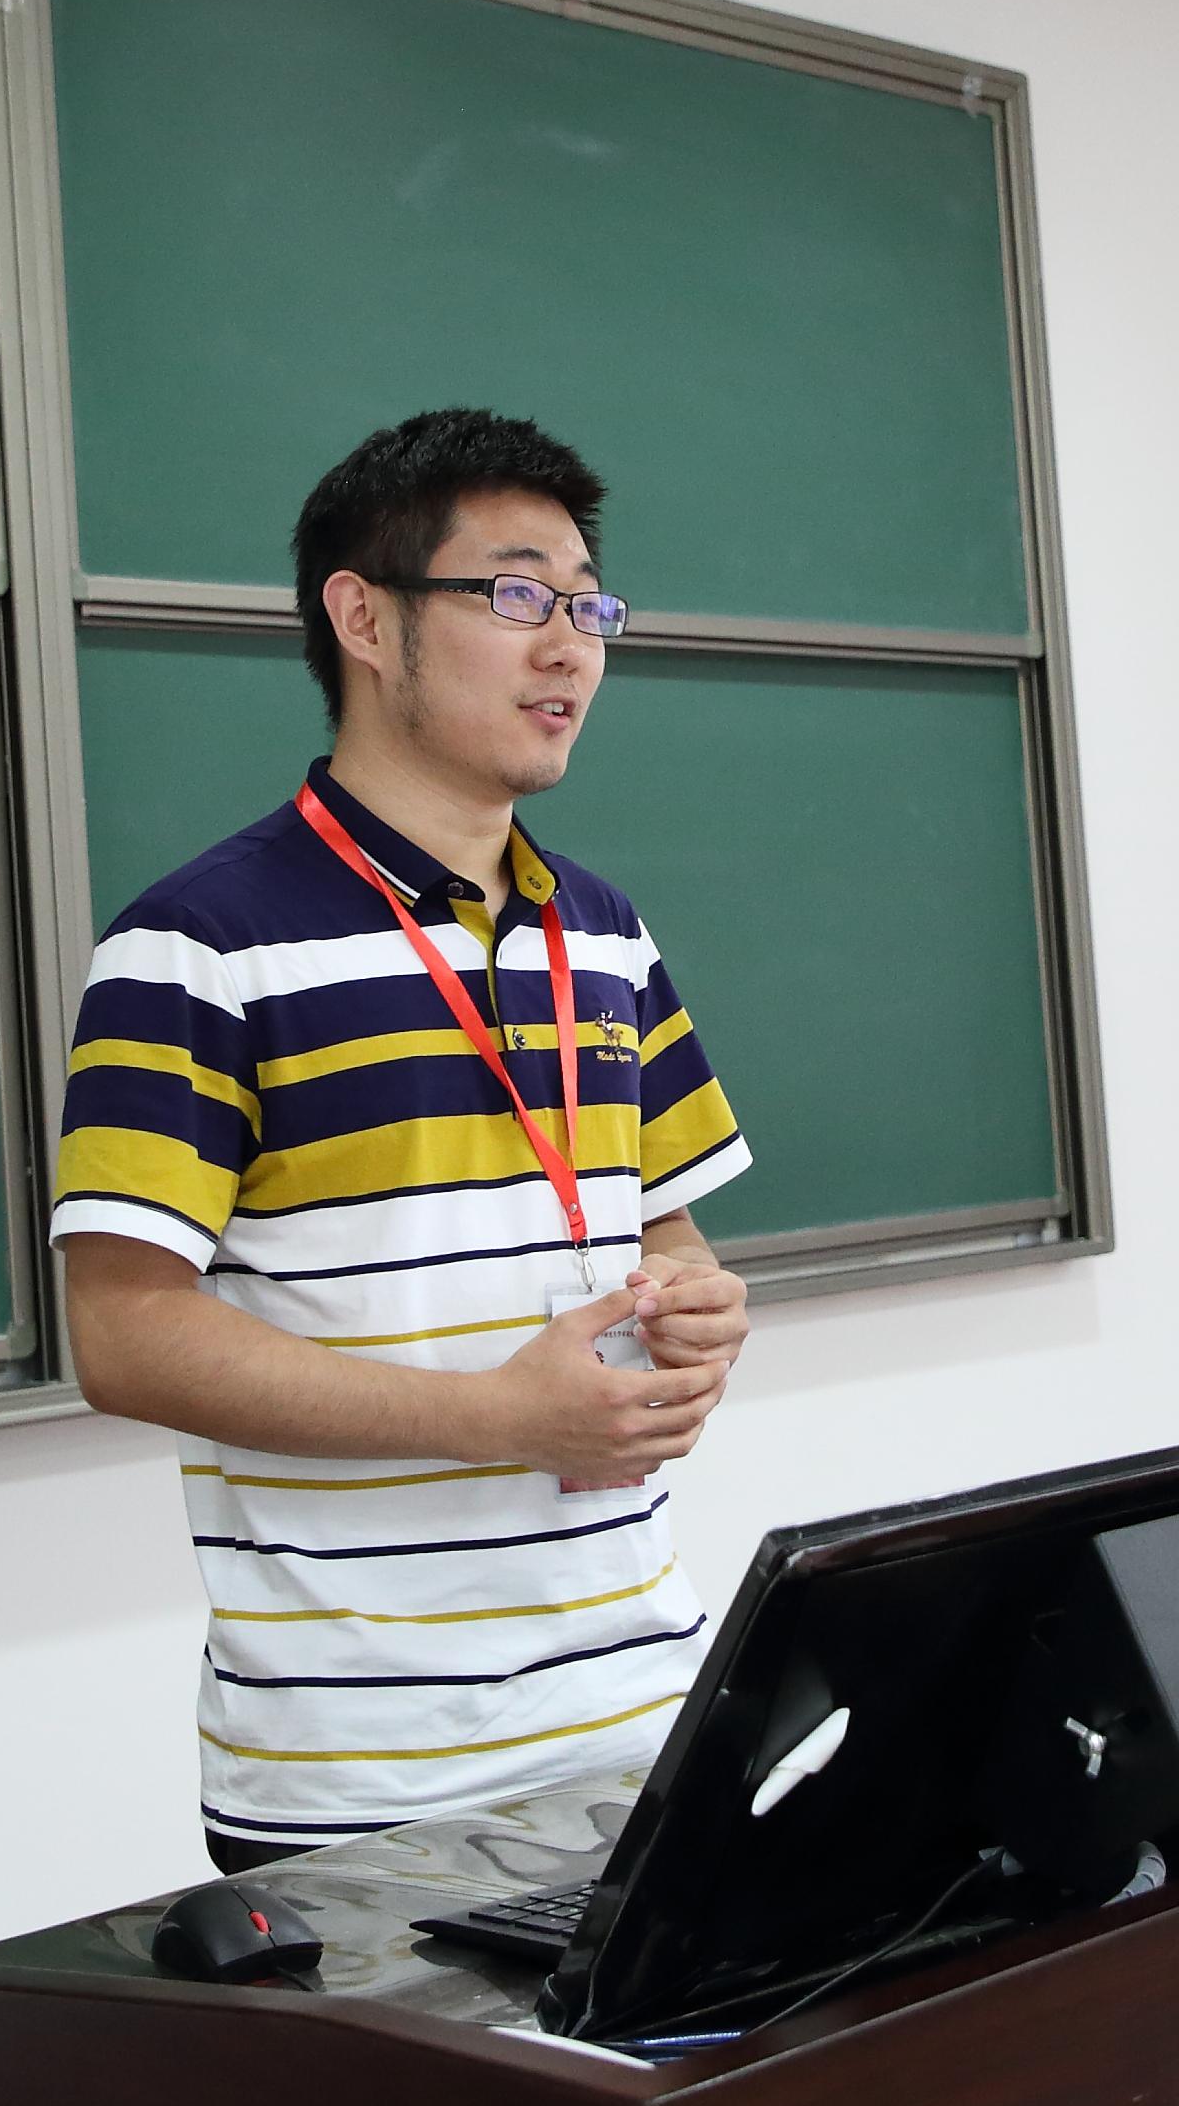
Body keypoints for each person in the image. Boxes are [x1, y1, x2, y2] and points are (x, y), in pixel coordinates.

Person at [54, 409, 756, 1872]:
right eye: (516, 595)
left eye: (587, 606)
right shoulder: (198, 947)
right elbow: (122, 1339)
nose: (568, 649)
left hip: (643, 1717)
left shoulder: (603, 932)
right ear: (365, 619)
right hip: (366, 1775)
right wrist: (498, 1420)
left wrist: (697, 1309)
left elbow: (667, 1232)